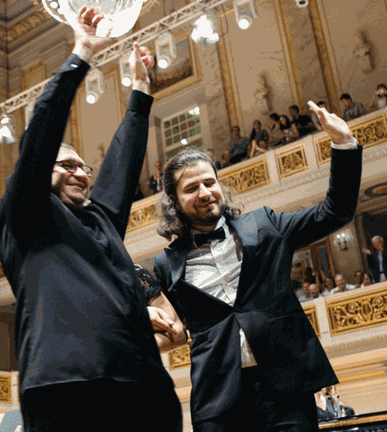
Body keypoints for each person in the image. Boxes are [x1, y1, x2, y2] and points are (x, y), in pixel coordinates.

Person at [0, 7, 181, 432]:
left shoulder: (99, 220)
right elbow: (40, 135)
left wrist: (140, 90)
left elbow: (121, 165)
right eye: (66, 165)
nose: (80, 171)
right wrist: (81, 56)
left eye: (83, 166)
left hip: (144, 388)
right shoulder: (27, 212)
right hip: (65, 390)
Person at [150, 100, 362, 431]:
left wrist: (343, 144)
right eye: (191, 188)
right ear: (175, 202)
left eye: (210, 182)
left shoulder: (265, 225)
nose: (205, 192)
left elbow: (335, 211)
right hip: (217, 398)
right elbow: (173, 330)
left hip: (286, 386)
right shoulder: (165, 264)